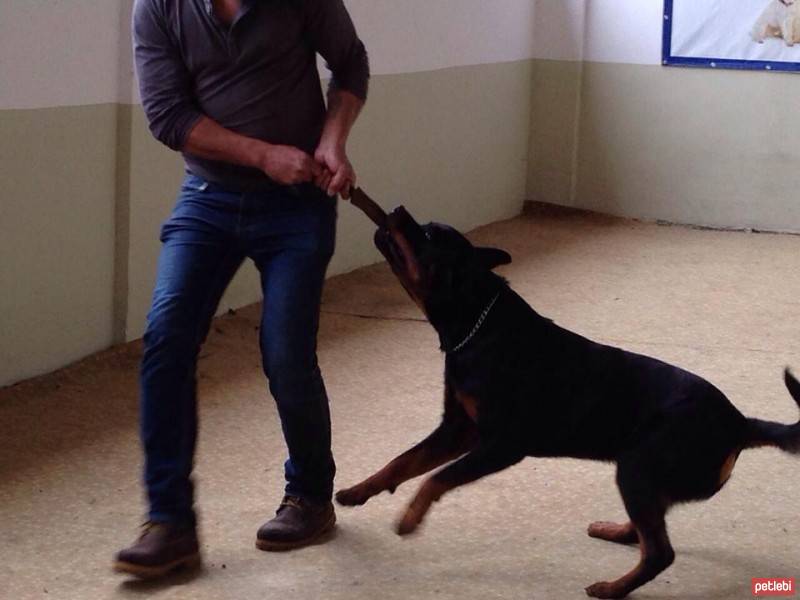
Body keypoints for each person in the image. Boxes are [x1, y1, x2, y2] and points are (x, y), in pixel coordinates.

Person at [114, 0, 369, 578]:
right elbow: (167, 117)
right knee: (165, 341)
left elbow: (350, 62)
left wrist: (334, 140)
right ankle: (170, 524)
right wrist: (262, 155)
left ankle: (309, 498)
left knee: (285, 354)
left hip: (298, 205)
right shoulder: (157, 8)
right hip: (208, 197)